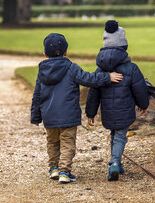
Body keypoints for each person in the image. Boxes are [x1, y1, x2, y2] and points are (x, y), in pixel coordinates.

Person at [30, 33, 123, 183]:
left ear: (45, 54)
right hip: (68, 116)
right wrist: (107, 77)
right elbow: (89, 79)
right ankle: (64, 172)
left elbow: (37, 95)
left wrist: (35, 117)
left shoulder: (42, 71)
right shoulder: (71, 68)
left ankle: (53, 168)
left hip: (49, 116)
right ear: (66, 51)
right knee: (67, 143)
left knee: (52, 142)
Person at [86, 20, 149, 181]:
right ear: (123, 46)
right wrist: (143, 105)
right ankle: (114, 162)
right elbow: (139, 89)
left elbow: (93, 92)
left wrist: (90, 113)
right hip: (125, 110)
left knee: (115, 134)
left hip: (107, 111)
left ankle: (117, 162)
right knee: (120, 135)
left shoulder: (100, 70)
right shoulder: (131, 68)